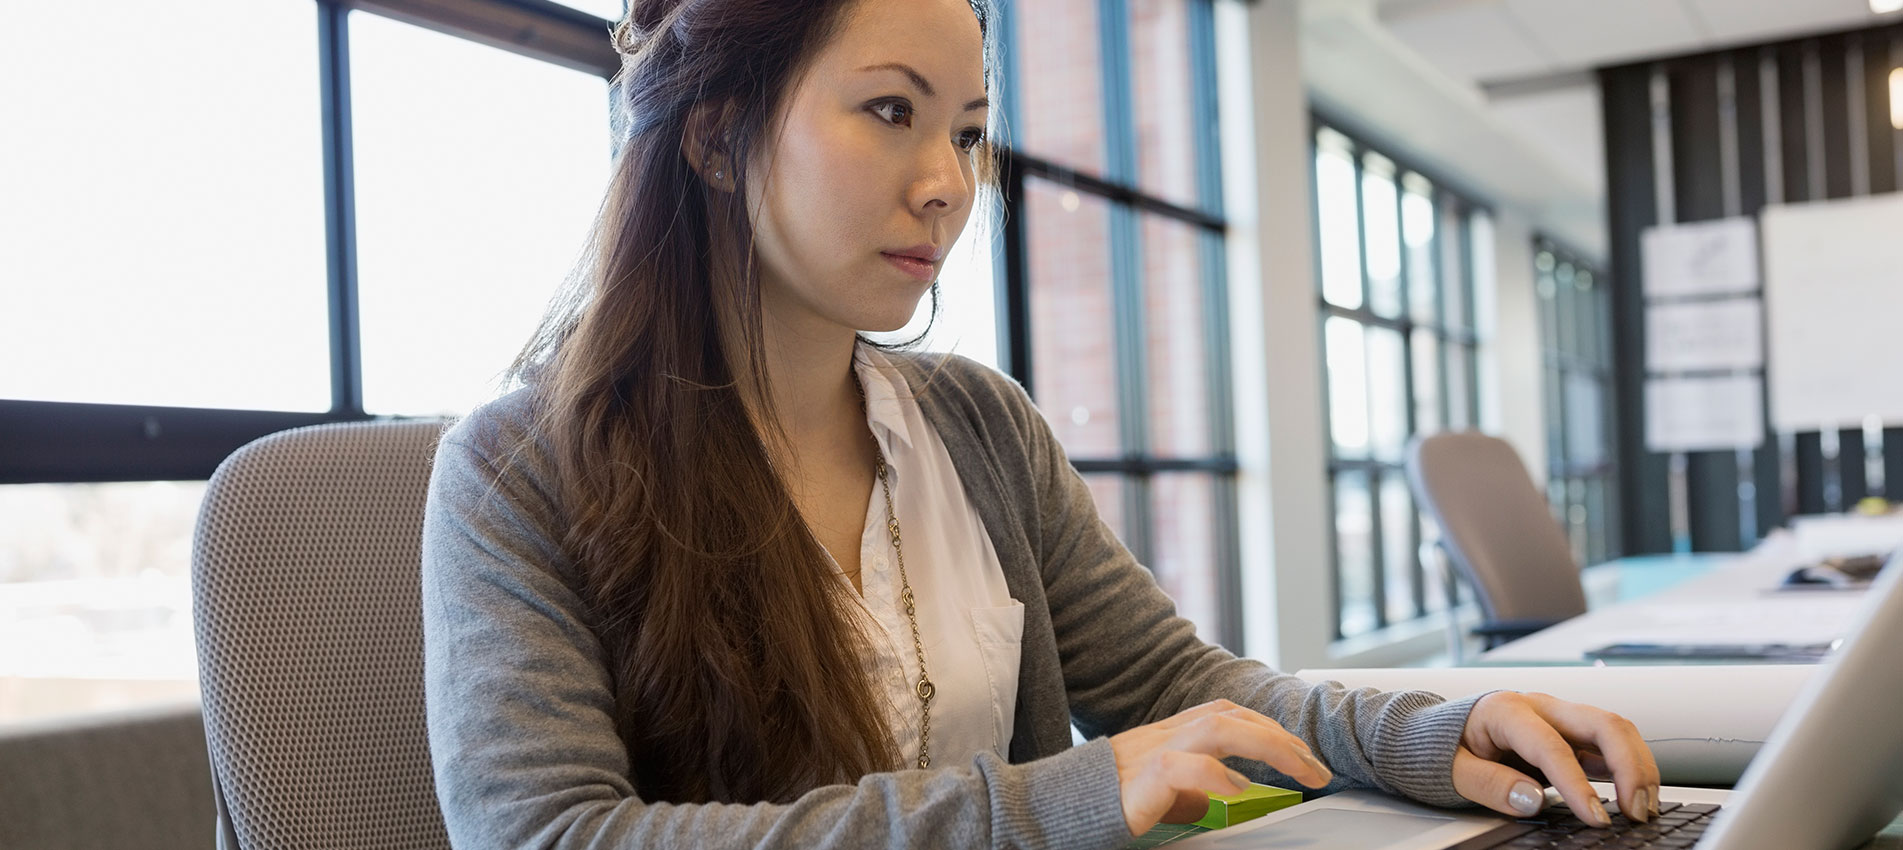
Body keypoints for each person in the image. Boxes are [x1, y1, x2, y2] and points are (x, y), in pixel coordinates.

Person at [418, 0, 1662, 847]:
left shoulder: (977, 425)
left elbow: (1174, 685)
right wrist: (1061, 799)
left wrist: (1434, 732)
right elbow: (551, 833)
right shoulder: (521, 471)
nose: (947, 184)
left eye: (967, 131)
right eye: (891, 111)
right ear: (714, 136)